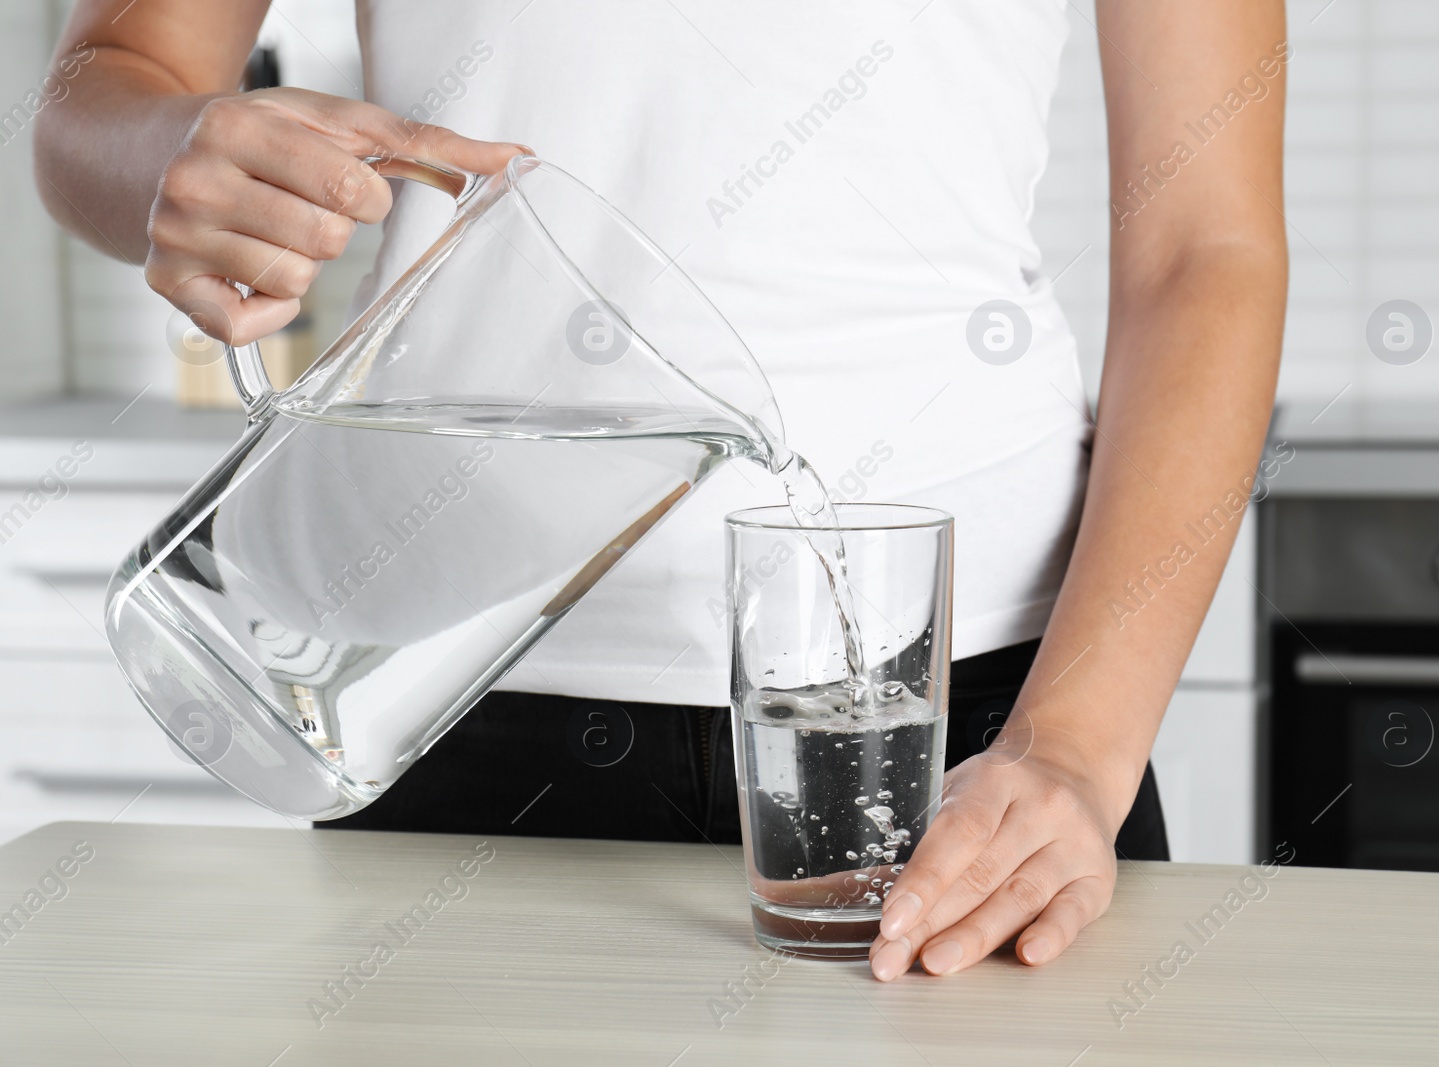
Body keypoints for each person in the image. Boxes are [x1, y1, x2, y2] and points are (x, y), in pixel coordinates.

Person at [36, 0, 1287, 982]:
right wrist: (167, 161)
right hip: (450, 687)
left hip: (968, 722)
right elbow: (101, 90)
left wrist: (1074, 747)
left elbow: (1205, 250)